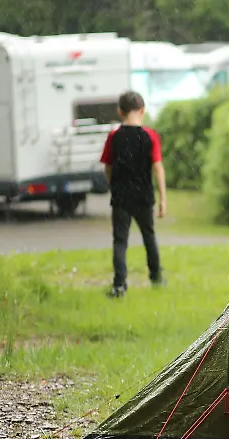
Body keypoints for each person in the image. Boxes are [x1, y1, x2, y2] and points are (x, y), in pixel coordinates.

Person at [99, 90, 167, 298]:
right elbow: (158, 167)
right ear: (143, 110)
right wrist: (163, 199)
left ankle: (119, 285)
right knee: (149, 236)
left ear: (120, 111)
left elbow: (108, 166)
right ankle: (156, 277)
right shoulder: (150, 136)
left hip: (120, 197)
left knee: (120, 240)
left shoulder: (114, 136)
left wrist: (113, 184)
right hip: (144, 196)